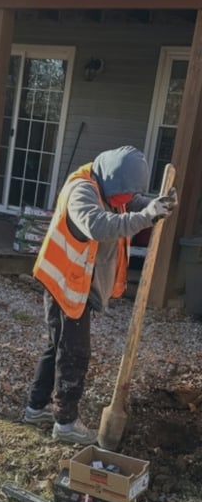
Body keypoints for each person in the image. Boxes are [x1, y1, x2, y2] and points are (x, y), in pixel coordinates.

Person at [22, 145, 178, 444]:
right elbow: (97, 226)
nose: (125, 201)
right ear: (110, 180)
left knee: (57, 347)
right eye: (123, 194)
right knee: (74, 354)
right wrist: (147, 216)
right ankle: (65, 423)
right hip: (66, 284)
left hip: (76, 281)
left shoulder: (107, 185)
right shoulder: (81, 191)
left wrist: (156, 204)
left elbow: (131, 202)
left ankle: (35, 408)